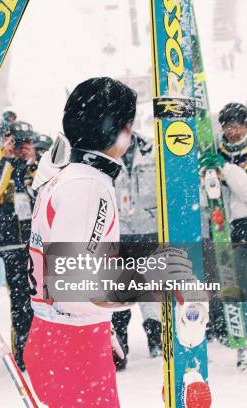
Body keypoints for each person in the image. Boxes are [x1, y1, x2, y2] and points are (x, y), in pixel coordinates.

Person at [23, 77, 197, 407]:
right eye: (127, 124)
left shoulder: (71, 176)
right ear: (115, 128)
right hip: (72, 345)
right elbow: (74, 284)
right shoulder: (88, 186)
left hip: (63, 336)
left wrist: (105, 329)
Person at [200, 102, 247, 369]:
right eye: (227, 126)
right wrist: (207, 172)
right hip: (225, 229)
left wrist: (226, 170)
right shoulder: (215, 151)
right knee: (232, 285)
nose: (232, 131)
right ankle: (239, 333)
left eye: (237, 125)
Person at [0, 120, 37, 370]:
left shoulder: (37, 165)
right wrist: (7, 158)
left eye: (24, 142)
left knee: (41, 298)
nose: (20, 146)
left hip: (36, 242)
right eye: (17, 142)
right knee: (20, 298)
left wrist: (31, 162)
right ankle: (24, 351)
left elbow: (43, 192)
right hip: (11, 244)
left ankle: (43, 347)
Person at [112, 132, 162, 369]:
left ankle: (156, 339)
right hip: (119, 233)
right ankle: (120, 347)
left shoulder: (152, 151)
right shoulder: (106, 152)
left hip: (148, 229)